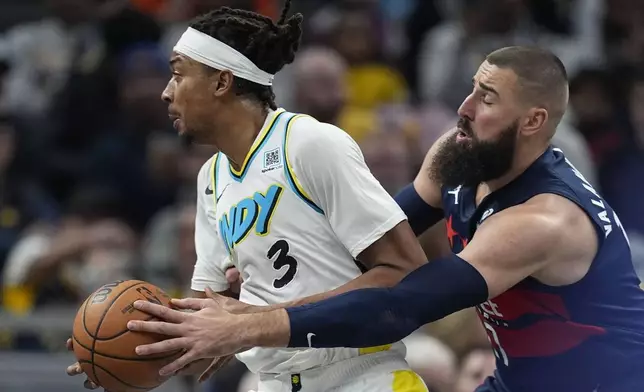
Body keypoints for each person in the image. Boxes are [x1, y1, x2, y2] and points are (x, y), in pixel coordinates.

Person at [127, 47, 644, 392]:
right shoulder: (459, 153)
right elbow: (373, 240)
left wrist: (248, 327)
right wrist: (263, 272)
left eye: (487, 99)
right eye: (471, 88)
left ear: (533, 121)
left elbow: (400, 306)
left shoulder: (543, 221)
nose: (461, 107)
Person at [66, 2, 430, 392]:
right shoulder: (211, 178)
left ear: (222, 82)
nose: (165, 92)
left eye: (177, 74)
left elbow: (405, 272)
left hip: (360, 375)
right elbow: (211, 334)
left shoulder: (308, 143)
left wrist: (256, 321)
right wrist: (124, 349)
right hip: (272, 382)